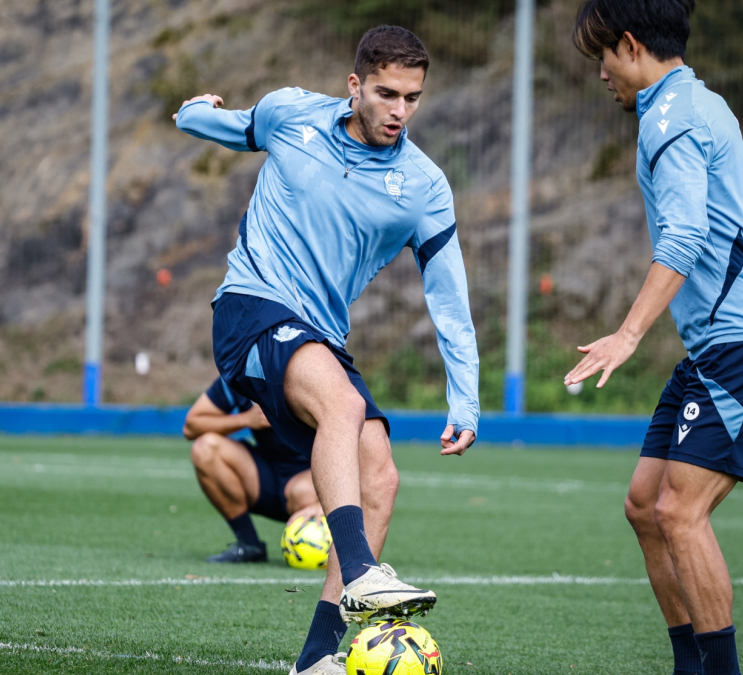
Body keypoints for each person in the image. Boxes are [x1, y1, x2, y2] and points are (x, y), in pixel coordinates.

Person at [174, 25, 479, 675]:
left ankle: (316, 657)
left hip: (319, 334)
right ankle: (364, 569)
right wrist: (193, 111)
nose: (400, 110)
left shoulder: (422, 186)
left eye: (413, 97)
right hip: (249, 307)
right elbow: (226, 126)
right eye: (386, 93)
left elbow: (448, 296)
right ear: (355, 86)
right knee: (341, 406)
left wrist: (466, 397)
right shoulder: (293, 113)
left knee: (381, 476)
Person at [568, 2, 743, 674]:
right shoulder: (698, 100)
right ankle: (689, 665)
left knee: (679, 510)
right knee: (646, 505)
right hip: (723, 348)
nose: (603, 75)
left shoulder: (670, 118)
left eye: (603, 58)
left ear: (631, 44)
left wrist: (627, 334)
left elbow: (687, 233)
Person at [183, 377, 322, 563]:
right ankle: (249, 544)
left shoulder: (309, 374)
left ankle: (336, 544)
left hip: (310, 476)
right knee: (205, 449)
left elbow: (354, 434)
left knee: (304, 493)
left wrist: (324, 501)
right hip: (265, 473)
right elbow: (191, 427)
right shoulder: (239, 374)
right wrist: (245, 419)